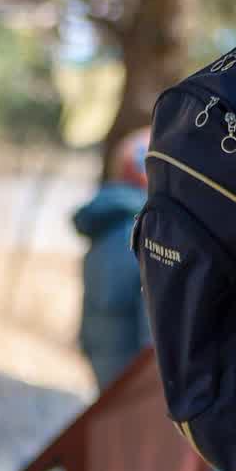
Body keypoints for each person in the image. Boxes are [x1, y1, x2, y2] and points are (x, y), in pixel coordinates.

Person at [75, 129, 153, 392]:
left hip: (104, 367)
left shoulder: (105, 226)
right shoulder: (146, 233)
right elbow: (153, 332)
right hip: (137, 379)